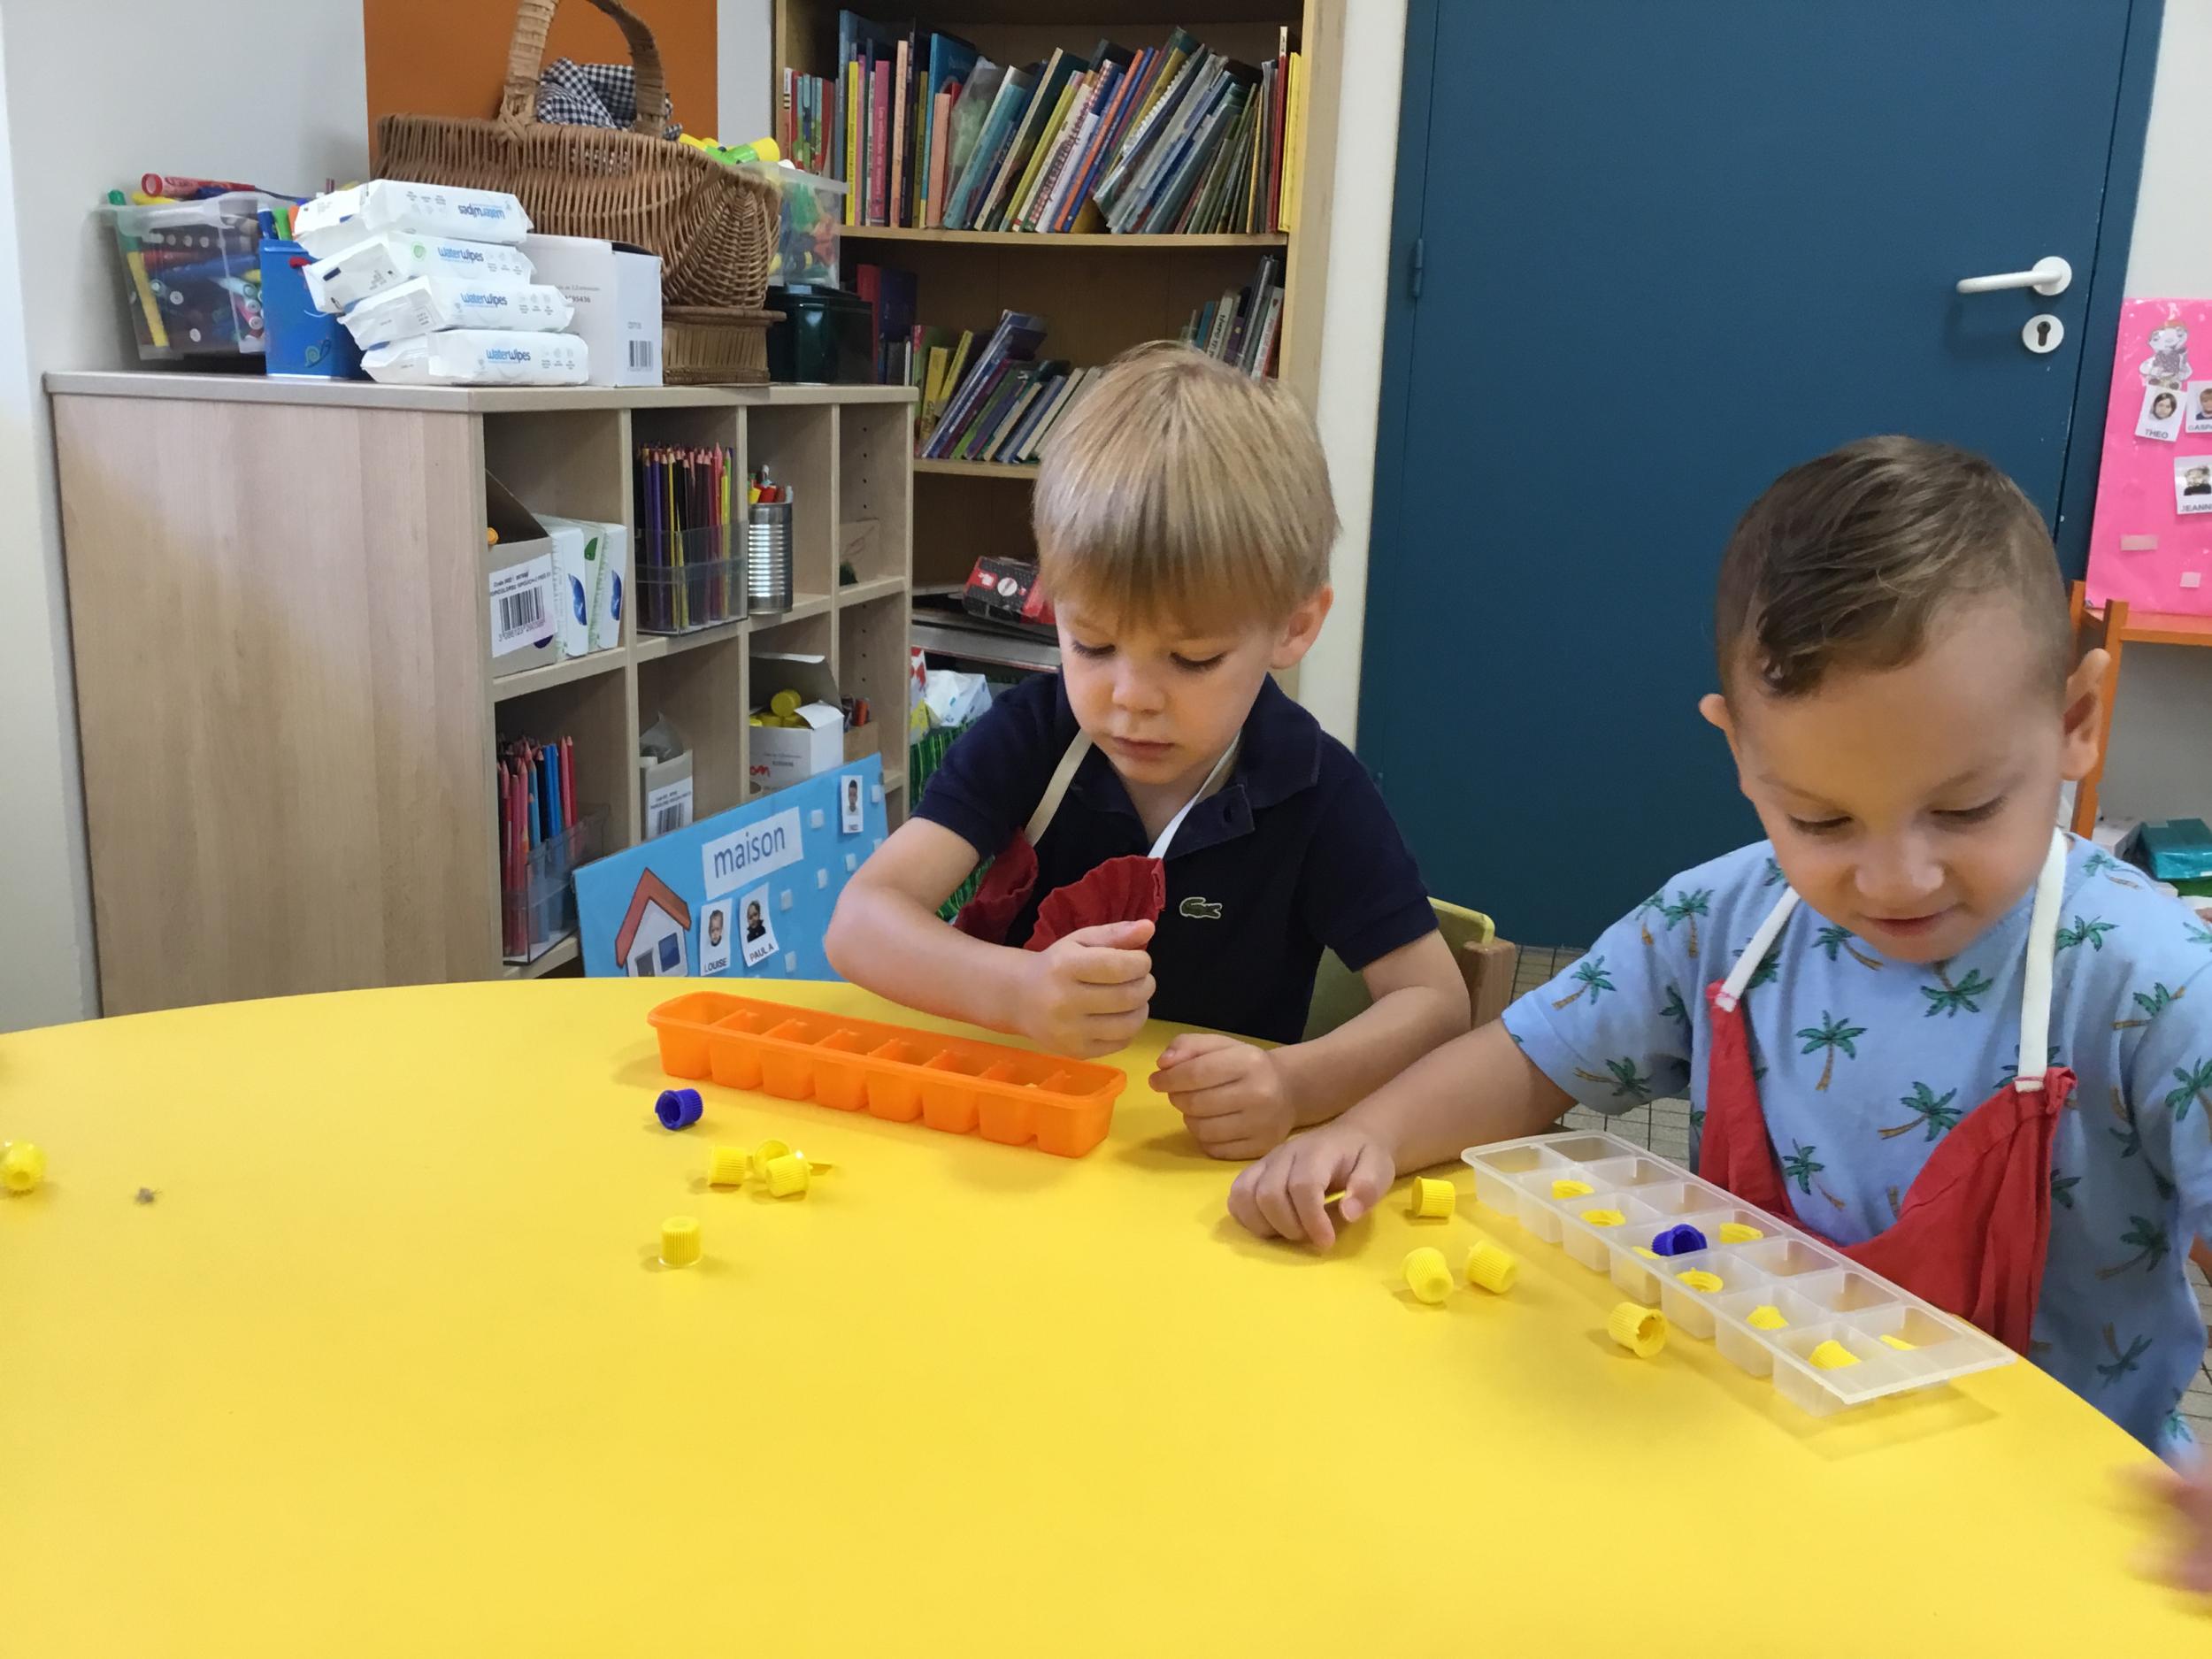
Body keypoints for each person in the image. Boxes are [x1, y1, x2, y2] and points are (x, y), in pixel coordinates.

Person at [1229, 438, 2212, 1559]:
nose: (1895, 878)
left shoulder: (2148, 980)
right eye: (1823, 821)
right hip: (1744, 1472)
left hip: (2055, 1536)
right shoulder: (1722, 924)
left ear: (2076, 722)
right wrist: (1367, 1134)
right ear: (1741, 755)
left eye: (1966, 808)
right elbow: (1525, 1060)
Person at [827, 342, 1470, 1157]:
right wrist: (1018, 990)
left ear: (1295, 626)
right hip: (1007, 1133)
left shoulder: (1313, 787)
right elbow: (860, 922)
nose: (1131, 696)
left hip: (1189, 1168)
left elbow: (1436, 1004)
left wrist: (1295, 1085)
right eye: (1092, 644)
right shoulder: (1034, 735)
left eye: (1192, 658)